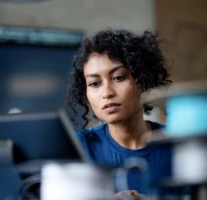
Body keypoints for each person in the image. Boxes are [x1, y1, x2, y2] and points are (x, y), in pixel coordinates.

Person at [66, 29, 188, 199]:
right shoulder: (77, 147)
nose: (106, 92)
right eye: (94, 83)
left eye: (118, 77)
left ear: (143, 80)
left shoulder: (180, 146)